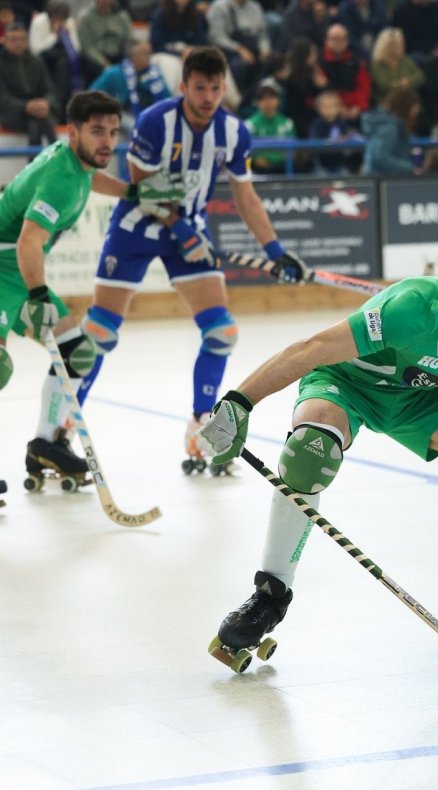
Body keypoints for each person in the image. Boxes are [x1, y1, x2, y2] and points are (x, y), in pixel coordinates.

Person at [196, 220, 438, 669]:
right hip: (348, 381)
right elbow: (314, 348)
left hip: (427, 398)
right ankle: (270, 594)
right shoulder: (417, 307)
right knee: (309, 456)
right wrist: (239, 402)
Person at [75, 47, 310, 473]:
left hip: (190, 230)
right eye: (199, 87)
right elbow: (142, 188)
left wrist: (273, 250)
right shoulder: (154, 122)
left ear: (224, 88)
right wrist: (180, 228)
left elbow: (245, 195)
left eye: (215, 88)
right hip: (138, 227)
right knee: (99, 334)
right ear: (183, 86)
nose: (207, 96)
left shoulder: (235, 132)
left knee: (221, 332)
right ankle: (59, 431)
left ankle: (202, 427)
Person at [0, 91, 184, 487]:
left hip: (15, 270)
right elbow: (28, 242)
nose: (107, 142)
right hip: (6, 268)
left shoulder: (74, 161)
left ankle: (44, 446)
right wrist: (36, 297)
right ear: (74, 132)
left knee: (76, 351)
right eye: (97, 131)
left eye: (113, 132)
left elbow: (92, 178)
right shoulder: (61, 180)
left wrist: (132, 192)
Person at [89, 41, 172, 131]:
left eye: (150, 52)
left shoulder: (155, 74)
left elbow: (167, 97)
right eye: (146, 53)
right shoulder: (115, 73)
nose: (150, 56)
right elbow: (91, 95)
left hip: (151, 114)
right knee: (136, 127)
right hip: (123, 114)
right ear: (134, 56)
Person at [0, 21, 59, 145]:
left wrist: (46, 102)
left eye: (21, 39)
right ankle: (39, 162)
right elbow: (3, 98)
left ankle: (54, 160)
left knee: (43, 121)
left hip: (39, 112)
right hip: (11, 114)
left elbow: (49, 90)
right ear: (4, 41)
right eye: (13, 39)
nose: (18, 43)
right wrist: (25, 106)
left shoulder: (37, 62)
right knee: (36, 124)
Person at [361, 84, 417, 175]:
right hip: (385, 180)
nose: (415, 112)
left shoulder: (388, 125)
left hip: (381, 180)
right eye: (414, 108)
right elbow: (380, 158)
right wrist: (410, 168)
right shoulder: (389, 128)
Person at [244, 78, 296, 174]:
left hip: (284, 171)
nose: (267, 101)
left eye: (272, 96)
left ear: (279, 100)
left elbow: (292, 151)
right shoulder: (249, 124)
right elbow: (246, 153)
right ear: (257, 101)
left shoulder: (287, 123)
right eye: (262, 97)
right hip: (257, 172)